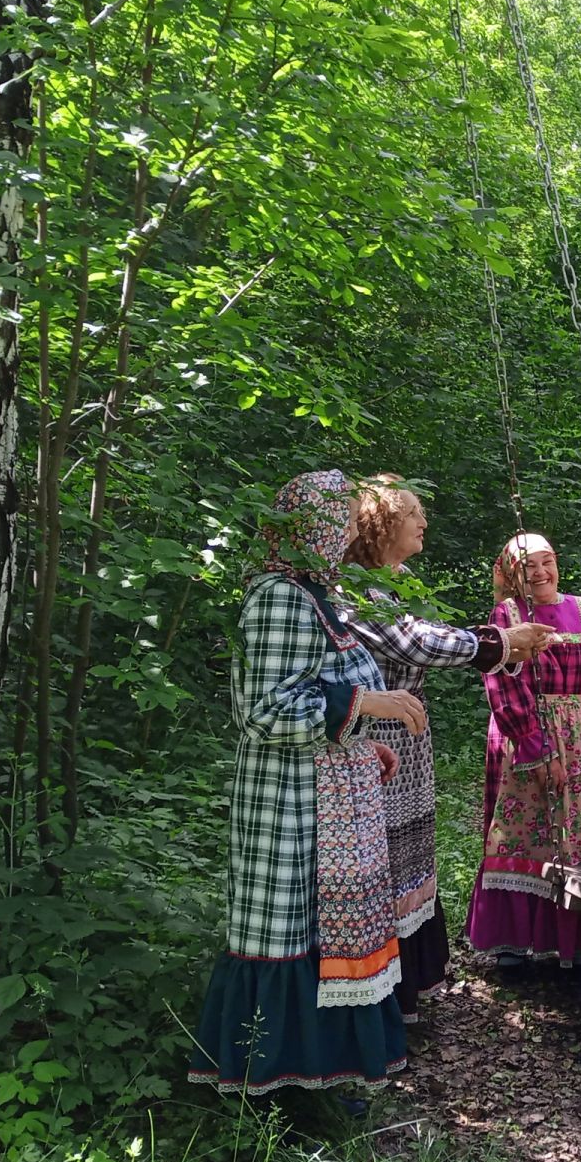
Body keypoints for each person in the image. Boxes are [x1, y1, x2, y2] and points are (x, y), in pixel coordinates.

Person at [188, 469, 429, 1100]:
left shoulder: (316, 594)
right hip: (288, 806)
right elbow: (264, 713)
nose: (351, 529)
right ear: (311, 525)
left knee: (329, 932)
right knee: (291, 931)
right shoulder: (279, 597)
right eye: (342, 517)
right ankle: (279, 1087)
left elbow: (311, 694)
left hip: (325, 798)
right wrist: (370, 706)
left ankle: (330, 1077)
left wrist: (358, 742)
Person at [339, 476, 554, 1023]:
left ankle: (405, 995)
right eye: (412, 513)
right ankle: (374, 1001)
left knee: (410, 849)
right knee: (379, 853)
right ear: (382, 523)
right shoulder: (353, 585)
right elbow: (412, 642)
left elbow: (426, 631)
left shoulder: (400, 579)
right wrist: (499, 643)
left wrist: (499, 645)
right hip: (372, 736)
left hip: (409, 739)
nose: (423, 522)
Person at [466, 533, 581, 972]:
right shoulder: (507, 615)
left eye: (547, 562)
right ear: (511, 574)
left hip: (580, 742)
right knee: (524, 831)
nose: (540, 573)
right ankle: (515, 940)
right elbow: (502, 683)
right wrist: (536, 749)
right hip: (524, 739)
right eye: (528, 567)